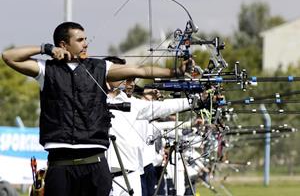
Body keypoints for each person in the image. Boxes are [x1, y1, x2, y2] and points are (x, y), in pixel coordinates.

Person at [1, 21, 192, 196]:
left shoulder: (100, 68)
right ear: (63, 45)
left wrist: (174, 72)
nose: (86, 44)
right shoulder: (46, 69)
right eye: (80, 40)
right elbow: (8, 57)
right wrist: (45, 49)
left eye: (86, 39)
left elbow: (139, 70)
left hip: (94, 163)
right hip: (60, 164)